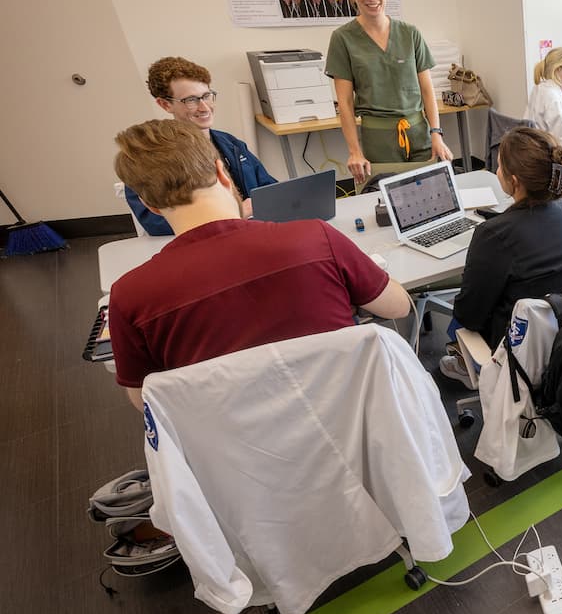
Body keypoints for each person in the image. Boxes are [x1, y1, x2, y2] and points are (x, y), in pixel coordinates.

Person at [108, 119, 412, 410]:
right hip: (355, 426)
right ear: (222, 172)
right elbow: (398, 307)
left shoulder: (129, 296)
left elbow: (147, 401)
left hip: (240, 453)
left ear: (149, 205)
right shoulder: (315, 237)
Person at [440, 127, 562, 384]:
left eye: (499, 166)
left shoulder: (493, 235)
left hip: (519, 355)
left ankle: (466, 364)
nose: (496, 171)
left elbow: (469, 315)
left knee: (458, 319)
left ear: (513, 182)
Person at [325, 0, 453, 186]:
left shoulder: (409, 33)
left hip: (419, 133)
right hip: (378, 140)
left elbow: (427, 90)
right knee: (386, 203)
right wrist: (354, 151)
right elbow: (344, 103)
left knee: (431, 198)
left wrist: (436, 133)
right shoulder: (343, 39)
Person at [126, 57, 277, 236]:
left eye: (206, 96)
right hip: (201, 243)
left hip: (249, 234)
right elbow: (155, 223)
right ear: (165, 104)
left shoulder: (231, 145)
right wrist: (237, 212)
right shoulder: (151, 156)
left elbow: (270, 190)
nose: (204, 107)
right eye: (191, 100)